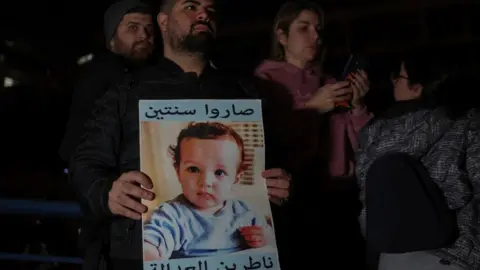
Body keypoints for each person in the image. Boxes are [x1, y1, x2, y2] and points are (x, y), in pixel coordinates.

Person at [70, 0, 291, 269]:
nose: (203, 14)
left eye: (210, 9)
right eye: (190, 6)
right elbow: (84, 163)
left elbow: (276, 164)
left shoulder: (246, 94)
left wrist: (280, 182)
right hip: (135, 256)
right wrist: (107, 192)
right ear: (163, 22)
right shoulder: (125, 93)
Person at [254, 1, 371, 267]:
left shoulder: (331, 83)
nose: (315, 36)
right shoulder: (264, 82)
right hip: (293, 199)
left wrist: (359, 106)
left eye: (318, 29)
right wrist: (312, 107)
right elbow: (264, 139)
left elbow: (365, 145)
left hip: (340, 196)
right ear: (281, 35)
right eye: (303, 28)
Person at [356, 50, 480, 270]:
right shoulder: (467, 122)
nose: (394, 81)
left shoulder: (374, 134)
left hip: (392, 254)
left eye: (399, 76)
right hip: (455, 254)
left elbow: (368, 199)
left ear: (417, 86)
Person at [143, 122, 274, 260]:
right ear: (178, 172)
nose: (205, 182)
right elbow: (150, 246)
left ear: (235, 178)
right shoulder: (171, 216)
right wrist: (150, 252)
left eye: (219, 172)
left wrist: (265, 238)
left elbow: (270, 246)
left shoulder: (246, 212)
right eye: (193, 169)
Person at [59, 0, 155, 164]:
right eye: (133, 28)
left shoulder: (153, 75)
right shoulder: (100, 78)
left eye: (150, 29)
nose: (144, 36)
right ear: (111, 39)